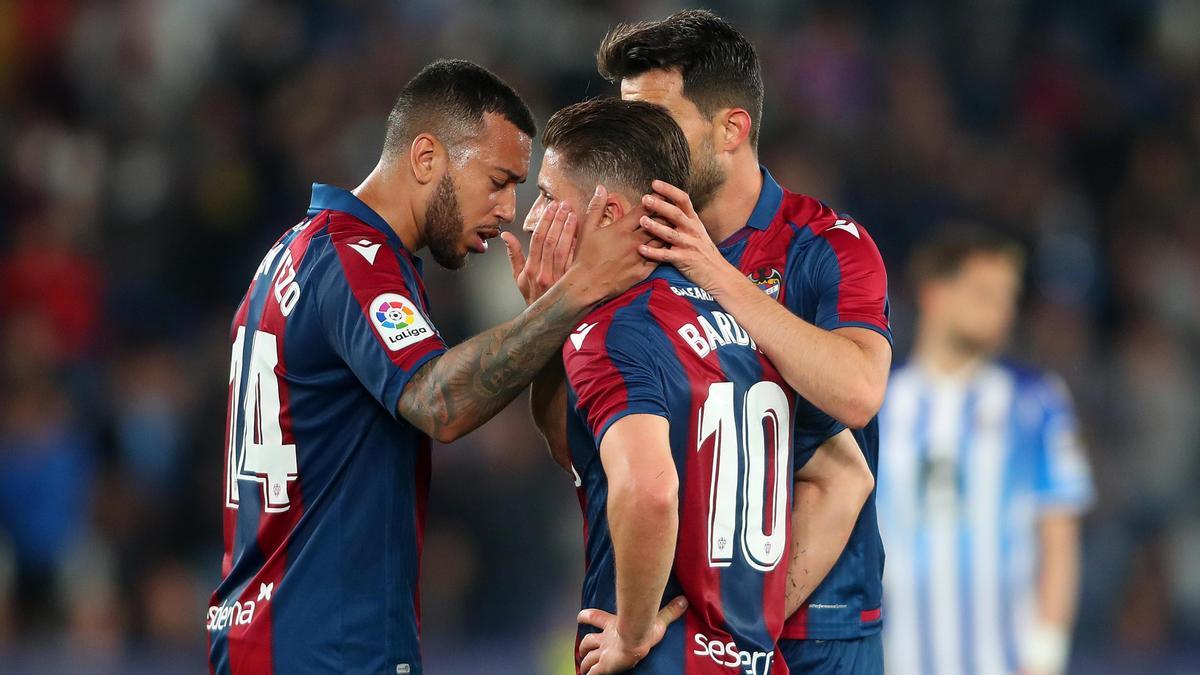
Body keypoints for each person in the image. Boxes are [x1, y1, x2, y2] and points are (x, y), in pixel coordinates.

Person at [206, 59, 653, 675]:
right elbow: (439, 403)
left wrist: (550, 315)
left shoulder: (294, 254)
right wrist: (577, 291)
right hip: (325, 647)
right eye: (498, 180)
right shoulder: (355, 259)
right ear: (425, 158)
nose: (507, 211)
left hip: (270, 634)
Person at [595, 10, 890, 673]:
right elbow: (588, 450)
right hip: (683, 626)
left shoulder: (827, 247)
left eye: (657, 126)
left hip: (820, 630)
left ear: (731, 129)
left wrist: (717, 276)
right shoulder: (634, 254)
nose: (636, 148)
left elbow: (860, 390)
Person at [534, 97, 804, 675]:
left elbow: (649, 492)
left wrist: (631, 634)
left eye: (548, 197)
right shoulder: (745, 323)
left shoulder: (611, 334)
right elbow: (845, 478)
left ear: (607, 214)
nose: (532, 220)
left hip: (664, 660)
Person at [876, 226, 1094, 675]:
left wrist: (1046, 655)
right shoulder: (875, 404)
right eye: (984, 292)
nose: (1001, 308)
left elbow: (1058, 536)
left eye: (1008, 295)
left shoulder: (1036, 400)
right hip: (895, 657)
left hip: (1005, 660)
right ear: (935, 294)